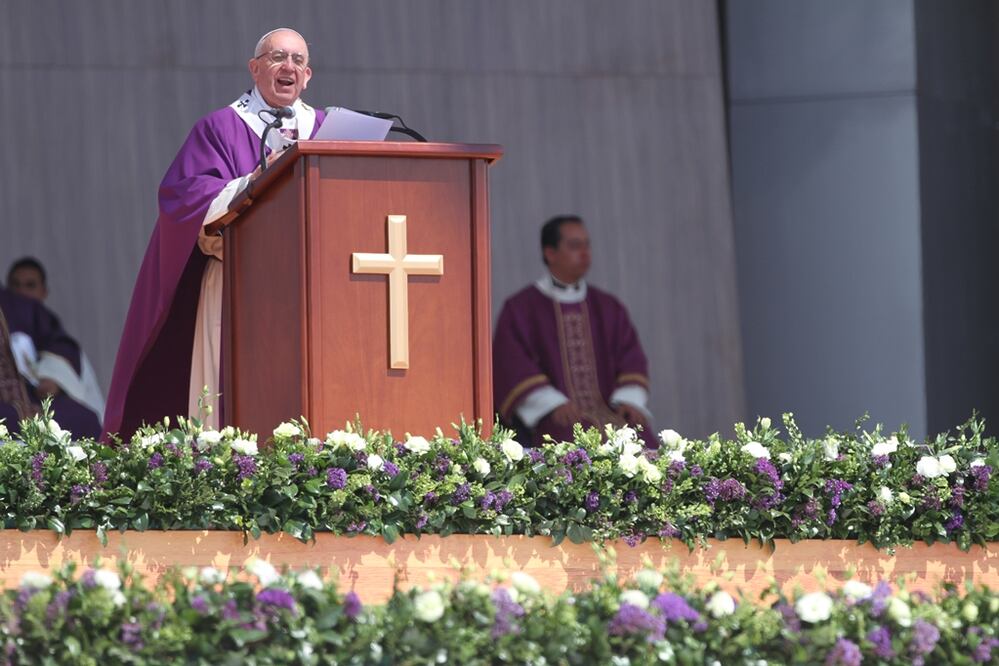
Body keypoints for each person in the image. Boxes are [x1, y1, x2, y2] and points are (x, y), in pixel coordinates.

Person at [103, 28, 326, 439]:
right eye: (278, 57)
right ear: (255, 68)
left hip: (312, 289)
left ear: (308, 75)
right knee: (232, 400)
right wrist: (253, 182)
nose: (288, 67)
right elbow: (183, 197)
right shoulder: (220, 127)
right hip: (235, 282)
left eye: (297, 61)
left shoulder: (327, 131)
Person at [493, 215, 653, 446]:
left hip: (611, 408)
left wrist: (629, 400)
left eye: (587, 245)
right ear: (550, 253)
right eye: (575, 246)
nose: (585, 253)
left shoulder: (608, 307)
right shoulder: (521, 308)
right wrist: (551, 403)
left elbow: (631, 357)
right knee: (566, 440)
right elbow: (511, 363)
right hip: (558, 414)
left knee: (641, 438)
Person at [6, 256, 106, 428]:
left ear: (44, 291)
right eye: (16, 285)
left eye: (30, 285)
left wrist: (56, 377)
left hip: (47, 406)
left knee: (83, 419)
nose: (22, 292)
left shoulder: (59, 341)